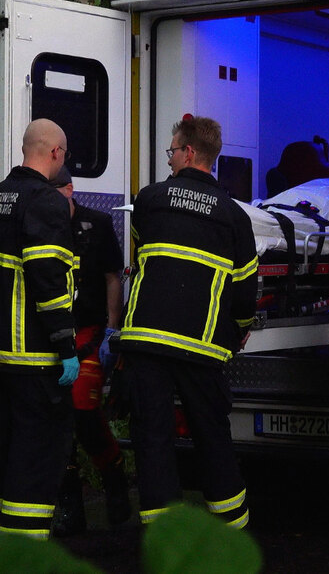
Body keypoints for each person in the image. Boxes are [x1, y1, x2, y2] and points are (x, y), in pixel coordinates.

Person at [118, 116, 258, 529]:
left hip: (146, 345)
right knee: (212, 437)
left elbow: (144, 251)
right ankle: (233, 530)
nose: (170, 159)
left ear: (189, 153)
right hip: (201, 348)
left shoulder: (149, 200)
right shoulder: (235, 218)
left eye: (172, 151)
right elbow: (245, 292)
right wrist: (238, 331)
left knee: (153, 439)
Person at [0, 118, 79, 540]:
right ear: (54, 153)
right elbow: (50, 282)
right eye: (63, 155)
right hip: (34, 363)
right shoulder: (45, 202)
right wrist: (65, 344)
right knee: (34, 460)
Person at [49, 166, 132, 536]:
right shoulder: (41, 225)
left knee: (84, 411)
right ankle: (70, 505)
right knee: (56, 419)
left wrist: (112, 331)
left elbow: (113, 277)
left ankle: (115, 478)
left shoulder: (97, 224)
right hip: (51, 336)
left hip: (90, 333)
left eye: (56, 193)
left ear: (70, 189)